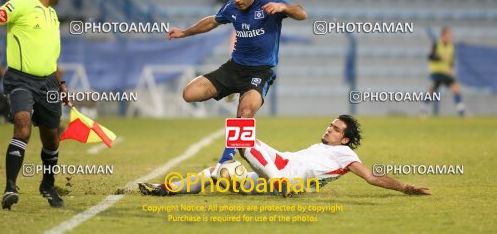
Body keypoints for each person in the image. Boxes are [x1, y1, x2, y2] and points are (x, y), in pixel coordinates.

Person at [166, 0, 307, 175]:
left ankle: (226, 160)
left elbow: (301, 13)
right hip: (234, 68)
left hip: (260, 72)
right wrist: (184, 32)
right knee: (189, 94)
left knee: (245, 112)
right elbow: (212, 21)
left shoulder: (269, 2)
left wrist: (283, 8)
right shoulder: (231, 8)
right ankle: (232, 90)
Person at [139, 115, 430, 197]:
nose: (329, 129)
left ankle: (279, 183)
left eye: (336, 128)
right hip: (276, 167)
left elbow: (370, 177)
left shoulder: (343, 153)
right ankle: (165, 189)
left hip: (286, 175)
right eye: (330, 124)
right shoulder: (326, 148)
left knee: (242, 139)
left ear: (346, 139)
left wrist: (405, 187)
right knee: (217, 172)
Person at [0, 0, 69, 209]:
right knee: (22, 127)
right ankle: (10, 188)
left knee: (52, 139)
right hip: (21, 79)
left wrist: (61, 83)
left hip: (49, 83)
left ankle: (47, 184)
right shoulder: (20, 6)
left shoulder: (52, 16)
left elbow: (51, 58)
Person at [422, 27, 466, 117]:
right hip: (436, 72)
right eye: (448, 34)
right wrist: (440, 58)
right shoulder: (436, 45)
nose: (450, 36)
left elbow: (451, 60)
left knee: (455, 88)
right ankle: (423, 109)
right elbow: (430, 56)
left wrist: (450, 68)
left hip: (445, 72)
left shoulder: (451, 46)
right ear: (444, 35)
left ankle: (461, 111)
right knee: (432, 90)